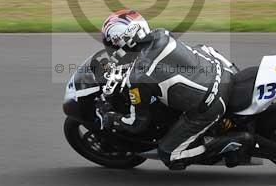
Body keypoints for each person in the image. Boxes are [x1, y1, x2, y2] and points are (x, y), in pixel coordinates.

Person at [97, 9, 253, 170]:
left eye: (111, 43)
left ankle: (234, 142)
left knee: (169, 154)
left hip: (209, 105)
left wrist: (112, 118)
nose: (111, 48)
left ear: (124, 41)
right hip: (223, 71)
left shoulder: (138, 78)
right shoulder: (161, 34)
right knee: (201, 48)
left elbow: (137, 123)